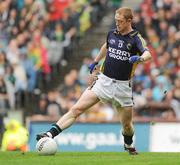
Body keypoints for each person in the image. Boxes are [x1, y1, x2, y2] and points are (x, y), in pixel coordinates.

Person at [36, 7, 152, 155]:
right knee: (77, 109)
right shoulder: (112, 33)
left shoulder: (136, 39)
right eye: (116, 21)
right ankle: (49, 134)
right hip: (103, 81)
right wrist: (96, 61)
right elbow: (106, 45)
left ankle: (128, 144)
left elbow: (148, 54)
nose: (117, 24)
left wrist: (140, 58)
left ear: (129, 21)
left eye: (120, 21)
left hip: (123, 87)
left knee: (127, 126)